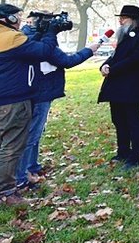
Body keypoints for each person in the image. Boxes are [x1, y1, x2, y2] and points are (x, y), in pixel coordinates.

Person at [0, 4, 98, 204]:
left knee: (1, 144)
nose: (21, 22)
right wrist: (50, 32)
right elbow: (44, 51)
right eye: (18, 18)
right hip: (14, 99)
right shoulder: (10, 38)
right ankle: (7, 193)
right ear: (9, 19)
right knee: (12, 147)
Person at [15, 11, 94, 191]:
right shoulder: (39, 41)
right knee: (32, 134)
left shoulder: (26, 36)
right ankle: (21, 176)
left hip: (36, 90)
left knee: (34, 132)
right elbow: (65, 60)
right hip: (40, 92)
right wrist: (90, 50)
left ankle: (32, 166)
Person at [98, 5, 139, 169]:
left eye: (124, 18)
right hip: (117, 86)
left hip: (131, 86)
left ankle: (135, 157)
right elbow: (115, 56)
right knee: (119, 120)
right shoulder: (124, 36)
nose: (120, 21)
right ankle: (123, 151)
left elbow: (136, 59)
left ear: (133, 19)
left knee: (133, 121)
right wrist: (104, 65)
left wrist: (112, 69)